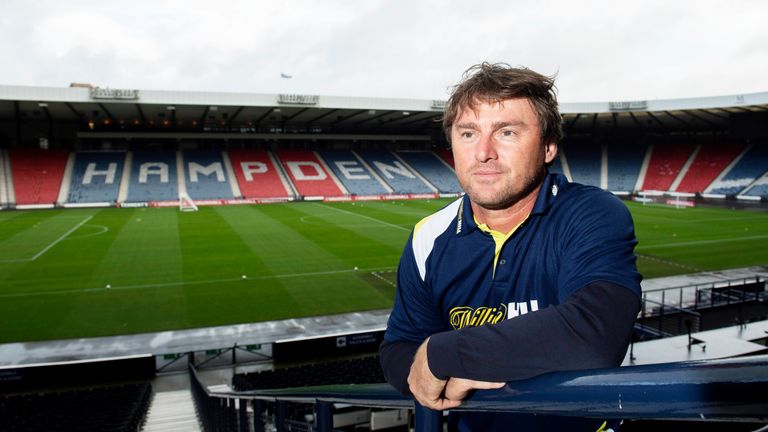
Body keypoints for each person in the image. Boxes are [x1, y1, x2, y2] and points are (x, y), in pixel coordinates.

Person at [379, 62, 642, 431]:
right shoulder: (429, 235)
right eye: (468, 133)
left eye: (506, 132)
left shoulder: (590, 214)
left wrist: (445, 354)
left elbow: (594, 333)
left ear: (548, 146)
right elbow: (399, 348)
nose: (483, 152)